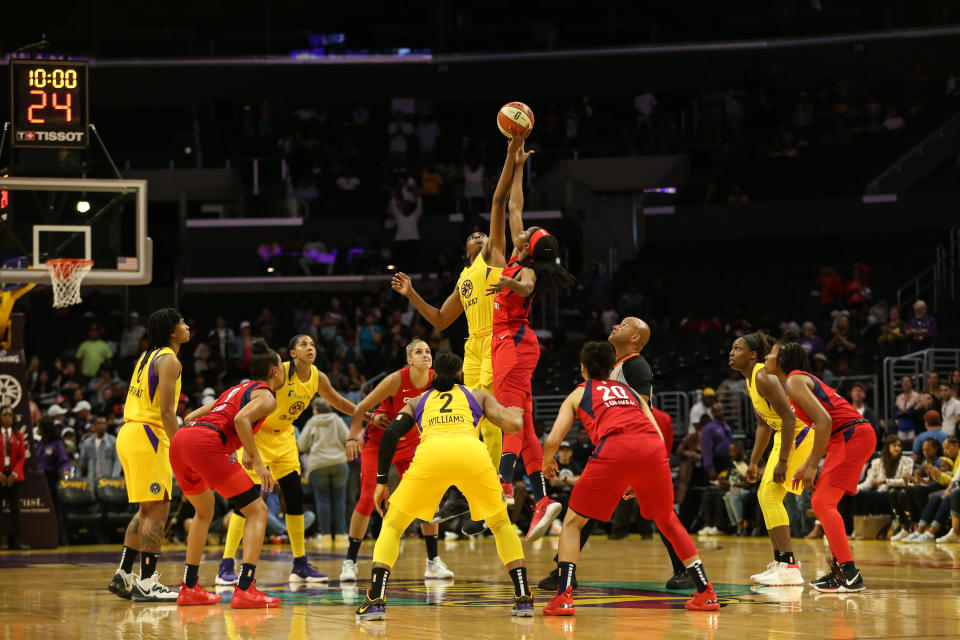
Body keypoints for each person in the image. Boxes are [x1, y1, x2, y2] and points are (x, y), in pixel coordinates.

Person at [392, 134, 523, 535]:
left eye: (484, 234)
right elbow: (439, 321)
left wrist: (511, 159)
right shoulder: (465, 280)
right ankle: (467, 496)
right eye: (474, 237)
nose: (481, 236)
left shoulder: (494, 256)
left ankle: (499, 487)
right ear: (465, 250)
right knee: (468, 422)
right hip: (472, 347)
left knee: (492, 420)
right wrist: (413, 293)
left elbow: (500, 202)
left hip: (498, 338)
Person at [541, 342, 720, 615]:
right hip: (652, 450)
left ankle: (564, 597)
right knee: (668, 520)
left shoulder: (579, 393)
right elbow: (657, 434)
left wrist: (547, 460)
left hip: (614, 448)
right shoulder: (632, 392)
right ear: (613, 367)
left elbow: (553, 439)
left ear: (583, 368)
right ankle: (706, 592)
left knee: (573, 523)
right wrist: (642, 476)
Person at [354, 351, 530, 621]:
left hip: (432, 457)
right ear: (460, 374)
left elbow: (389, 434)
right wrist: (516, 412)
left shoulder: (418, 400)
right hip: (471, 454)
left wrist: (381, 482)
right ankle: (523, 598)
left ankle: (376, 600)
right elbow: (514, 425)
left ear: (434, 373)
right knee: (500, 524)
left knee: (393, 524)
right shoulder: (477, 395)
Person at [487, 134, 576, 542]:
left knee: (507, 414)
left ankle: (504, 484)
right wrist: (519, 165)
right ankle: (543, 500)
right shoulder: (519, 254)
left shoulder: (528, 271)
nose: (523, 231)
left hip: (514, 344)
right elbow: (515, 205)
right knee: (522, 427)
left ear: (530, 247)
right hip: (513, 344)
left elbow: (523, 288)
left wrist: (505, 280)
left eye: (528, 234)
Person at [217, 334, 358, 586]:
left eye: (313, 344)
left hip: (284, 438)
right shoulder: (277, 373)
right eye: (303, 344)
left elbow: (337, 402)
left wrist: (365, 414)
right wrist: (247, 451)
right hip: (257, 436)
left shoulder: (318, 377)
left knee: (294, 498)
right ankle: (226, 565)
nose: (310, 348)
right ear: (292, 353)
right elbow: (247, 401)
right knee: (246, 502)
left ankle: (300, 564)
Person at [171, 339, 286, 608]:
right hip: (206, 443)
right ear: (275, 371)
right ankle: (245, 588)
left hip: (181, 441)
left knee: (204, 512)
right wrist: (256, 461)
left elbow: (191, 417)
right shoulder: (267, 396)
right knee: (257, 511)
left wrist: (241, 446)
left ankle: (190, 587)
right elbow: (241, 420)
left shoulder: (237, 389)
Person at [766, 339, 876, 592]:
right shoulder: (792, 383)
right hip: (846, 437)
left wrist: (814, 465)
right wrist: (808, 464)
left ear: (783, 360)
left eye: (771, 353)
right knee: (823, 502)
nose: (767, 356)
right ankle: (842, 571)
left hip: (851, 435)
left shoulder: (794, 380)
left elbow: (825, 422)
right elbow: (823, 426)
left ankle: (849, 574)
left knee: (822, 502)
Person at [342, 339, 454, 582]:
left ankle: (433, 561)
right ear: (409, 360)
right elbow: (361, 407)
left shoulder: (437, 380)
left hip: (412, 444)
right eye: (418, 352)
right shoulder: (396, 380)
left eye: (428, 351)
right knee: (366, 497)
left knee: (427, 495)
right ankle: (350, 561)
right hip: (380, 443)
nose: (425, 355)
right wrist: (353, 436)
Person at [109, 308, 190, 602]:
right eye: (182, 322)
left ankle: (124, 574)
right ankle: (146, 582)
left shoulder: (146, 356)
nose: (187, 326)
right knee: (159, 509)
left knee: (145, 510)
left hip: (131, 433)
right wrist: (181, 449)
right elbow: (168, 412)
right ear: (172, 331)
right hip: (149, 437)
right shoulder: (169, 360)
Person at [728, 332, 813, 586]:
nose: (731, 353)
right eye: (731, 348)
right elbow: (764, 425)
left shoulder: (763, 376)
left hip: (800, 432)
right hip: (783, 434)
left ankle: (789, 566)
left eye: (737, 348)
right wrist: (754, 461)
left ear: (753, 355)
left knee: (770, 495)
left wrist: (784, 461)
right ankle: (781, 563)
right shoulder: (749, 381)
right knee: (765, 496)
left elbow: (788, 417)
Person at [297, 397, 349, 542]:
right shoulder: (337, 420)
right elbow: (348, 438)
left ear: (315, 410)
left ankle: (325, 535)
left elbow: (301, 445)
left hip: (318, 465)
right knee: (340, 499)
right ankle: (340, 535)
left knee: (322, 500)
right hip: (339, 463)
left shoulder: (312, 422)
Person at [856, 436, 913, 527]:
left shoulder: (907, 461)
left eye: (899, 446)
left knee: (869, 496)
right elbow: (869, 481)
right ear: (887, 447)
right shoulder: (877, 462)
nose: (897, 448)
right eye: (894, 445)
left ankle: (860, 527)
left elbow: (905, 481)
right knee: (859, 494)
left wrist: (886, 481)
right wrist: (857, 488)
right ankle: (853, 527)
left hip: (893, 492)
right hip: (880, 492)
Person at [0, 407, 28, 549]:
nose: (8, 418)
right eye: (4, 415)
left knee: (15, 510)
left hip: (14, 477)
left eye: (10, 415)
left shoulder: (18, 435)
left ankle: (16, 540)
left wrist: (14, 474)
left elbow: (22, 457)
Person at [78, 416, 121, 483]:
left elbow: (117, 461)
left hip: (108, 480)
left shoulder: (113, 441)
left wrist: (114, 478)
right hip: (91, 480)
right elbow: (82, 462)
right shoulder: (87, 442)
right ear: (95, 425)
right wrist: (79, 479)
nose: (101, 426)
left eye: (104, 423)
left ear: (106, 425)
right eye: (99, 423)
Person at [894, 376, 920, 442]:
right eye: (903, 381)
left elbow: (915, 411)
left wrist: (906, 412)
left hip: (913, 426)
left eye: (907, 381)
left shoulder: (916, 396)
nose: (905, 383)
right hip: (901, 426)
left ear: (911, 383)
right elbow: (896, 413)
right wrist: (903, 412)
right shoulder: (899, 398)